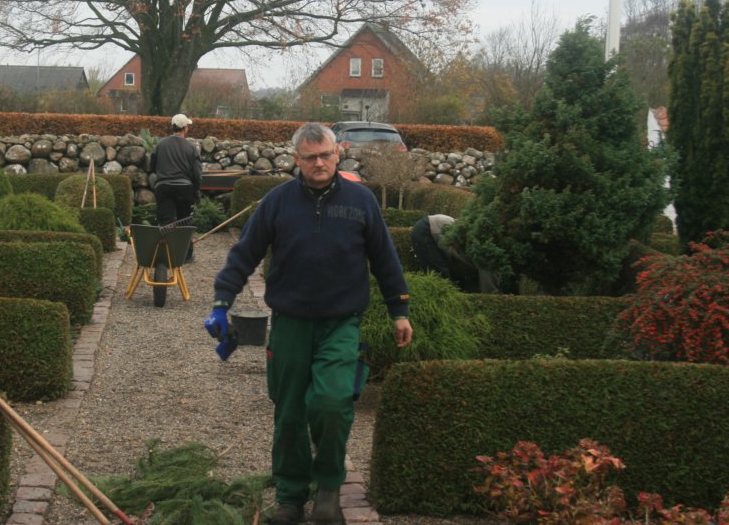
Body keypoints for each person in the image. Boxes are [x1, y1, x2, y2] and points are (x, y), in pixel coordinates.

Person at [204, 123, 413, 525]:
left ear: (338, 154)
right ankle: (290, 497)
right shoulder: (277, 203)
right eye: (310, 157)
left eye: (326, 155)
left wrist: (399, 311)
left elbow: (385, 259)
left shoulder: (361, 201)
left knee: (332, 405)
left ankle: (329, 490)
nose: (320, 163)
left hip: (341, 323)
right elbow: (244, 254)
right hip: (290, 324)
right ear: (296, 160)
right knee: (289, 413)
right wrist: (221, 302)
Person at [149, 113, 202, 260]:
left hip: (163, 187)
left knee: (165, 222)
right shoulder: (191, 148)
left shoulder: (160, 144)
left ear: (173, 127)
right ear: (185, 128)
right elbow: (197, 174)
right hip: (184, 188)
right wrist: (196, 192)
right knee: (184, 221)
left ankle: (165, 254)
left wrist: (163, 175)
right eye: (187, 126)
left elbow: (152, 166)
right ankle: (186, 255)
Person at [410, 214, 501, 293]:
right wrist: (492, 297)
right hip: (428, 229)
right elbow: (489, 286)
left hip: (434, 228)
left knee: (451, 280)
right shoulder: (488, 255)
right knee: (440, 280)